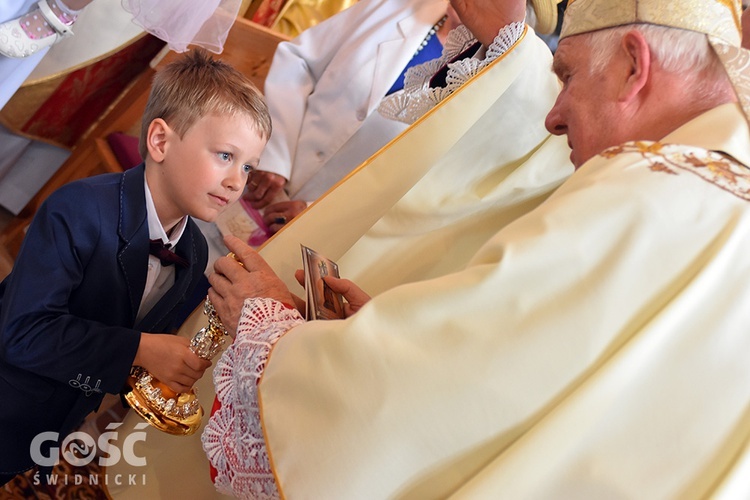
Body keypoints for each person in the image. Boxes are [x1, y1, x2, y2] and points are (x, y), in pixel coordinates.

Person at [203, 0, 750, 497]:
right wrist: (392, 328)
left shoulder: (648, 191)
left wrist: (268, 329)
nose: (553, 117)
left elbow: (433, 394)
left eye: (568, 75)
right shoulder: (719, 194)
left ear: (634, 66)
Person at [0, 48, 271, 487]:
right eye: (224, 155)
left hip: (47, 424)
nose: (237, 180)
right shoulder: (78, 211)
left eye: (248, 166)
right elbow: (23, 334)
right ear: (161, 141)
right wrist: (140, 349)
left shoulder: (195, 251)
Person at [244, 0, 561, 233]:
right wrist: (275, 155)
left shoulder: (488, 88)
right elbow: (299, 60)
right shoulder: (398, 7)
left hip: (324, 237)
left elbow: (429, 187)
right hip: (255, 189)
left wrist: (318, 217)